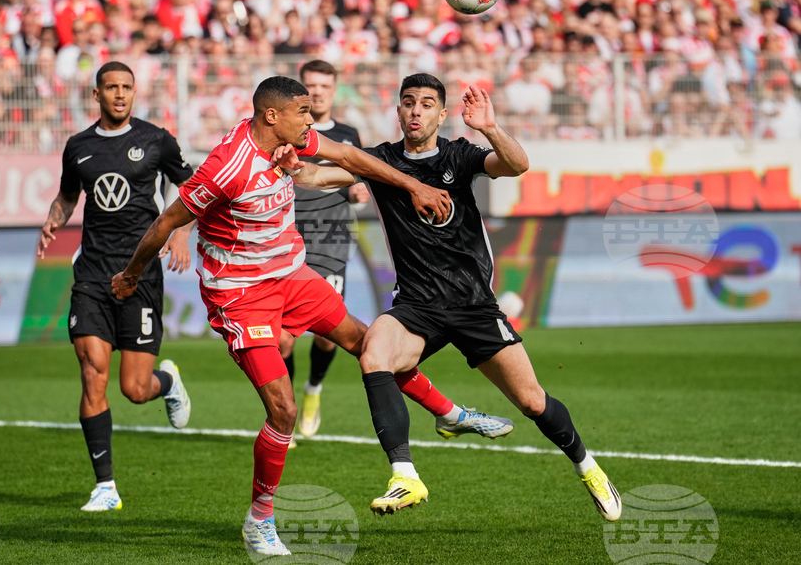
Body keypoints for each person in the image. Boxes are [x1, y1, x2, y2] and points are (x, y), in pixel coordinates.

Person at [111, 76, 512, 556]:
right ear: (271, 116)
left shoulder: (292, 137)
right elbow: (166, 223)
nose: (312, 118)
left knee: (372, 345)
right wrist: (131, 276)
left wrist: (411, 185)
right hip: (241, 295)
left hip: (292, 275)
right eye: (303, 111)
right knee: (283, 409)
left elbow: (349, 157)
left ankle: (449, 415)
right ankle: (259, 520)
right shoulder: (226, 170)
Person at [274, 76, 623, 521]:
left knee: (533, 402)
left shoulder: (459, 154)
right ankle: (405, 476)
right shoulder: (380, 161)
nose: (415, 111)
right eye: (408, 103)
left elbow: (516, 165)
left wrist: (491, 128)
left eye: (426, 104)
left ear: (442, 114)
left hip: (473, 304)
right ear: (398, 112)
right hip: (417, 306)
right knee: (374, 354)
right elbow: (317, 175)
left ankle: (587, 467)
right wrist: (290, 164)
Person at [37, 62, 194, 512]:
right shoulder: (79, 147)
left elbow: (190, 187)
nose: (120, 94)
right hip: (91, 276)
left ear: (134, 92)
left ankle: (168, 382)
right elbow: (69, 195)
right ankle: (105, 487)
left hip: (140, 275)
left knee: (134, 388)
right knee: (92, 373)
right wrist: (53, 219)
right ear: (97, 93)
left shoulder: (156, 139)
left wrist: (181, 233)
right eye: (112, 87)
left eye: (127, 87)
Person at [281, 60, 370, 442]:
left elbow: (359, 179)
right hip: (285, 242)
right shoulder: (285, 130)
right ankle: (284, 405)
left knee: (326, 333)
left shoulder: (348, 135)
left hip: (330, 241)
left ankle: (313, 389)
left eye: (324, 86)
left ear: (334, 91)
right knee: (283, 339)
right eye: (311, 86)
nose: (317, 92)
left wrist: (358, 191)